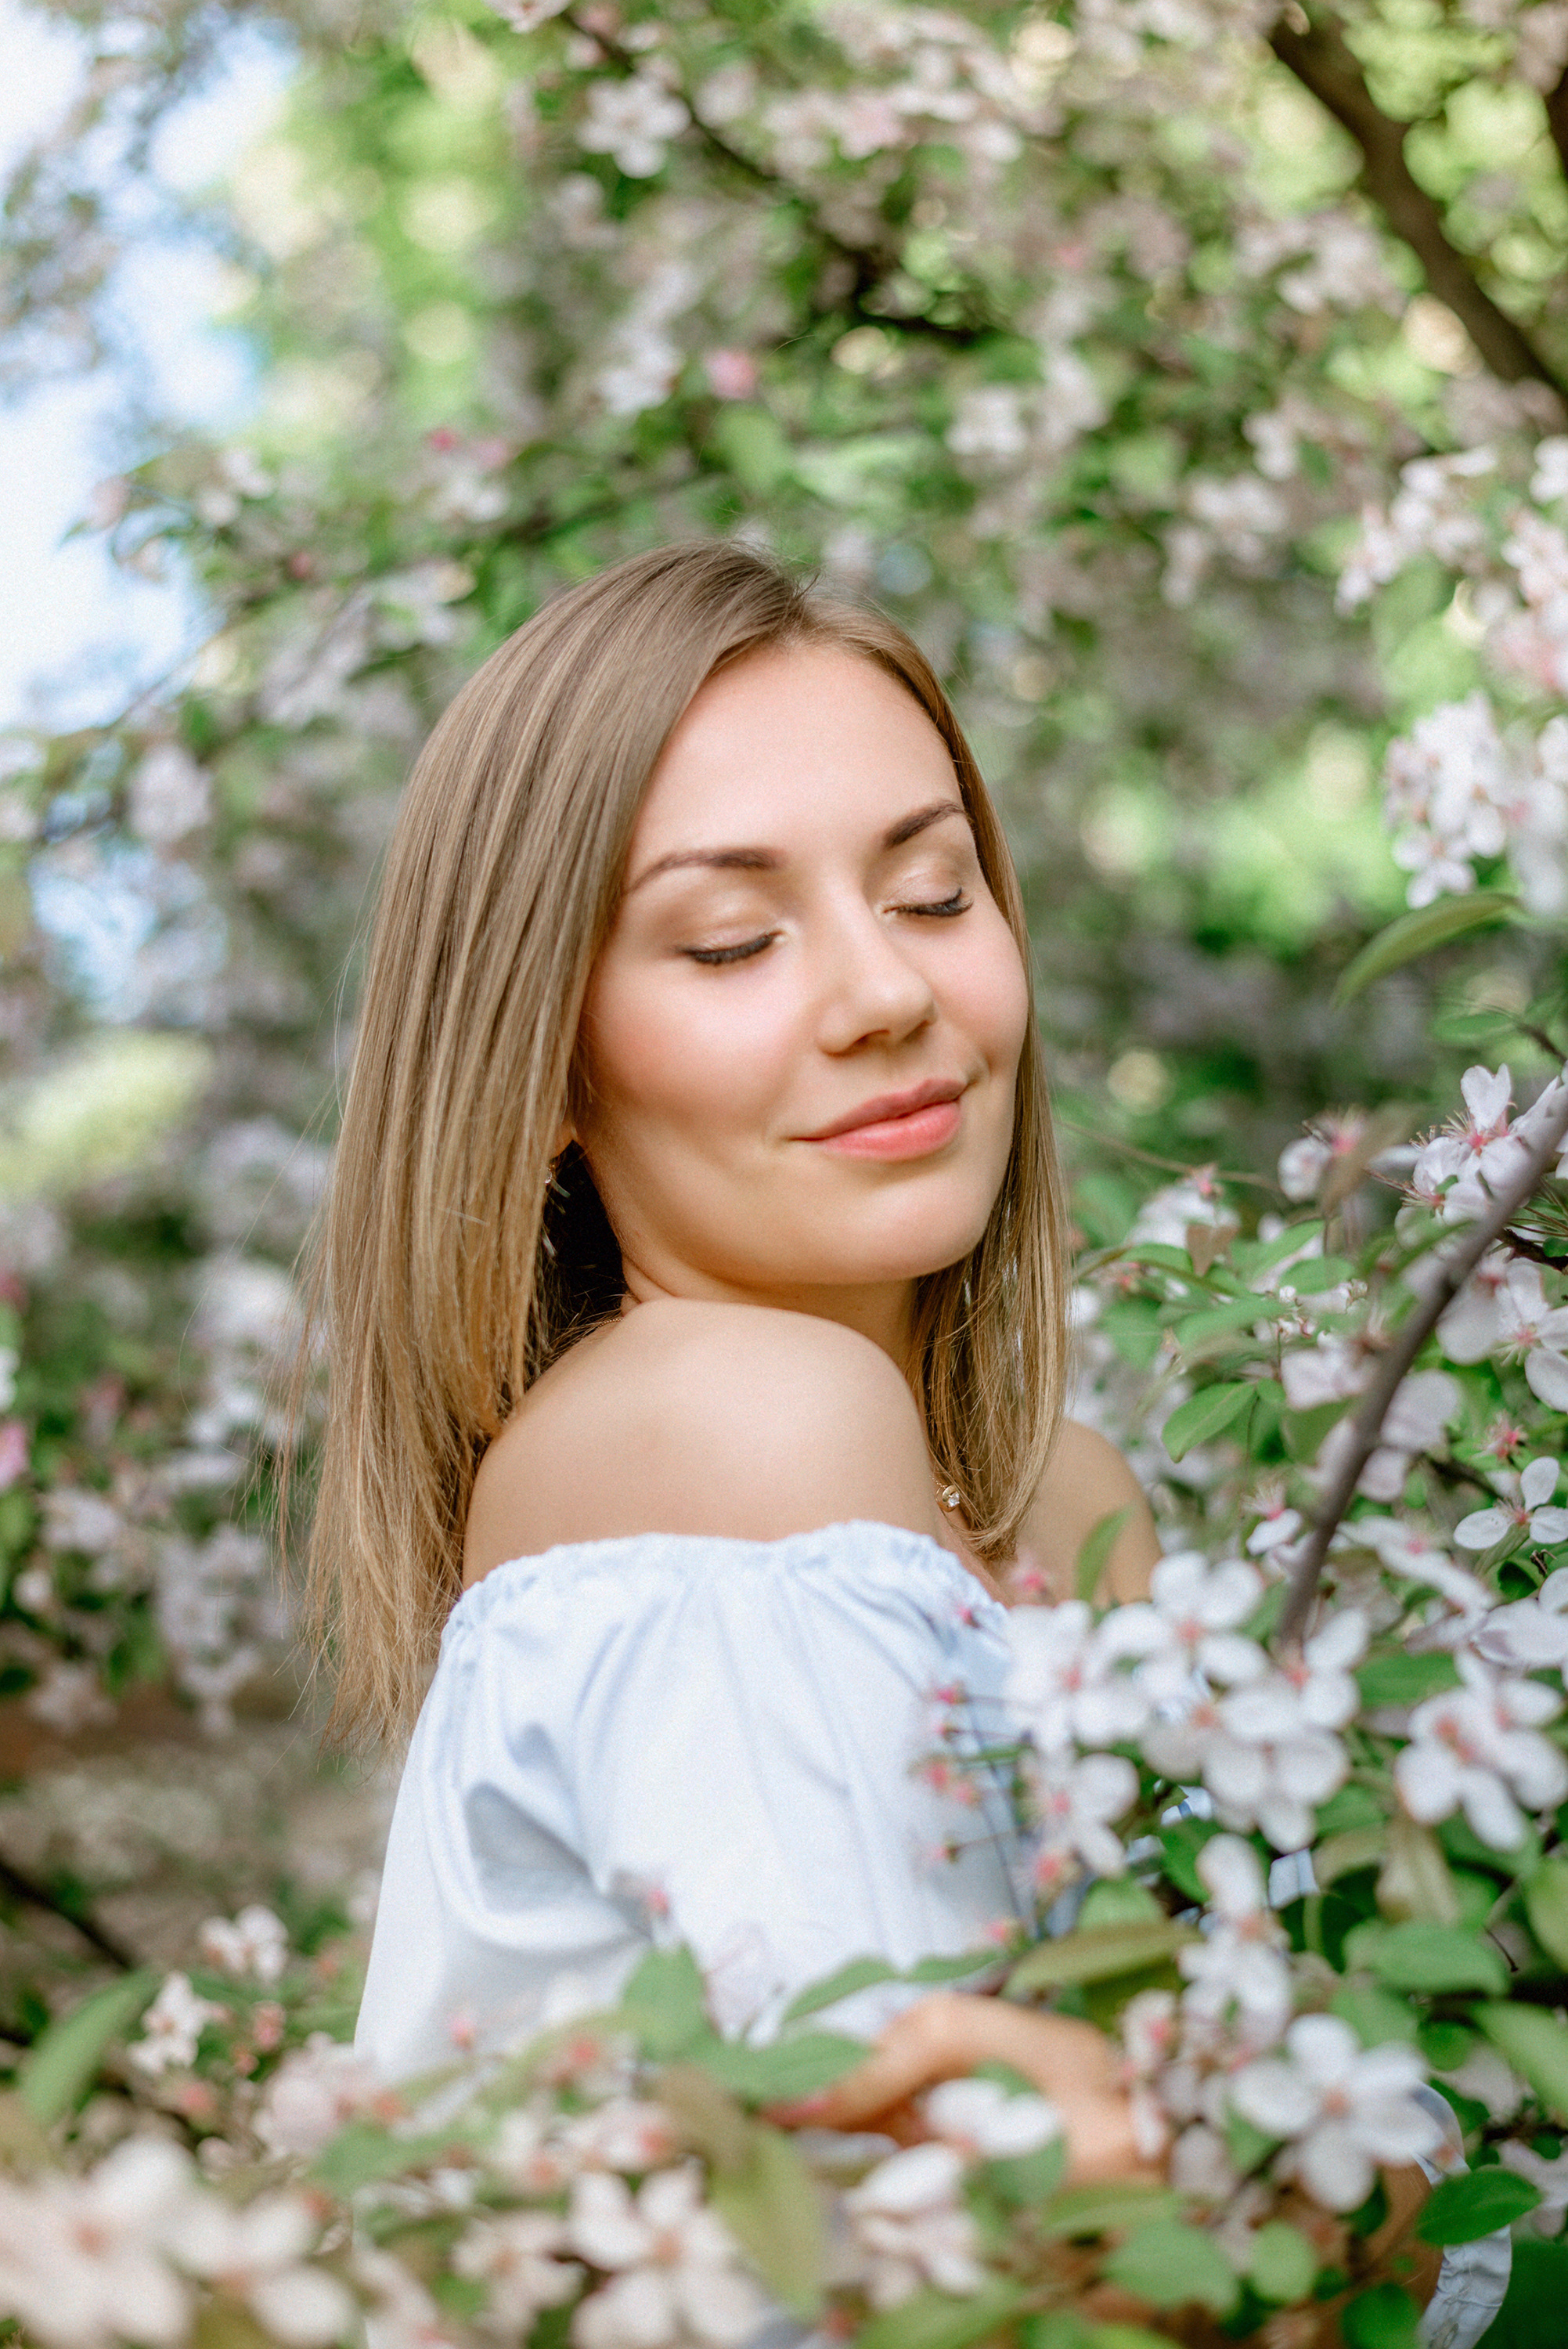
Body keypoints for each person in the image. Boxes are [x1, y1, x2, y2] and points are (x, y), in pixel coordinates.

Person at [301, 542, 1492, 2335]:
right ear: (544, 1063)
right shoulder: (731, 1420)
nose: (883, 994)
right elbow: (1018, 2270)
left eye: (933, 896)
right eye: (731, 938)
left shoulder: (1063, 1496)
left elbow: (1306, 2226)